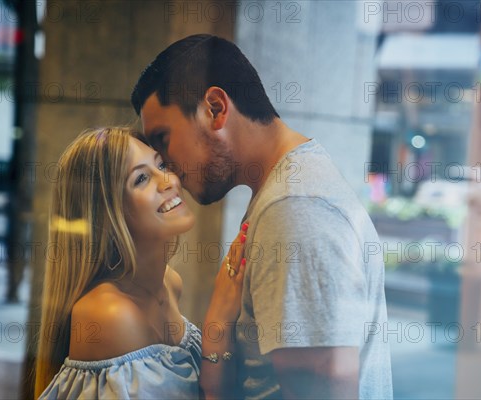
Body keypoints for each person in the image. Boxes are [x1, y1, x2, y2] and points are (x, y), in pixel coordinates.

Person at [131, 34, 393, 399]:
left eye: (163, 139)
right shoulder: (286, 194)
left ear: (215, 108)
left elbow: (324, 387)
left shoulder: (295, 207)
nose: (169, 171)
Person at [34, 127, 248, 399]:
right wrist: (218, 321)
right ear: (108, 214)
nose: (168, 180)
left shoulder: (169, 282)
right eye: (142, 178)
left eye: (161, 164)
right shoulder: (110, 314)